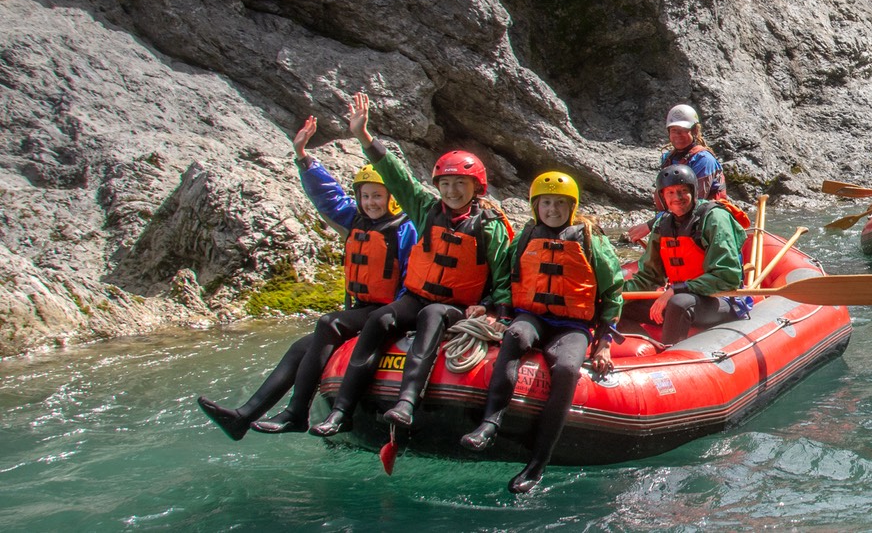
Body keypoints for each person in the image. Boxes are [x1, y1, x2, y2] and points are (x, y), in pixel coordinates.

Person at [196, 116, 418, 439]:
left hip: (387, 313)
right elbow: (329, 196)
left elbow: (411, 276)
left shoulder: (404, 228)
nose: (371, 203)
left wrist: (395, 321)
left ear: (391, 197)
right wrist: (303, 156)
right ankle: (243, 417)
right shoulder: (355, 219)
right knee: (303, 347)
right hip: (362, 308)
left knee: (329, 323)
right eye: (366, 196)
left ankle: (296, 412)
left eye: (377, 196)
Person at [310, 92, 514, 437]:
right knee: (380, 318)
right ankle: (341, 411)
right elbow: (397, 177)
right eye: (445, 184)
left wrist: (493, 309)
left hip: (458, 306)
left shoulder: (490, 224)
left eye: (459, 184)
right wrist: (364, 137)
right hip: (417, 295)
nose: (451, 191)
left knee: (432, 316)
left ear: (475, 187)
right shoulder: (426, 209)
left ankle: (406, 402)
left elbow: (503, 273)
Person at [459, 171, 623, 494]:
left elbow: (614, 291)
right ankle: (490, 423)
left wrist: (603, 343)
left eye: (560, 203)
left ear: (571, 206)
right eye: (546, 203)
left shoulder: (591, 240)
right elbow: (505, 278)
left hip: (574, 325)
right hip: (531, 317)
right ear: (536, 206)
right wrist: (498, 310)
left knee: (566, 368)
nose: (552, 209)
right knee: (516, 336)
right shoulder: (525, 236)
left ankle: (537, 464)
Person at [628, 165, 745, 345]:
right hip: (683, 295)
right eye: (671, 193)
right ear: (663, 197)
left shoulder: (714, 218)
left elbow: (726, 276)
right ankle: (647, 348)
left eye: (683, 191)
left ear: (693, 191)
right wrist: (614, 294)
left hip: (719, 299)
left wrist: (678, 289)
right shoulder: (663, 224)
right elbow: (648, 276)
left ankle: (669, 358)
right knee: (623, 304)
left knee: (679, 303)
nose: (677, 198)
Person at [633, 104, 748, 242]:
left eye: (683, 131)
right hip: (675, 218)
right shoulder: (668, 158)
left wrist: (651, 224)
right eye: (674, 131)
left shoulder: (704, 160)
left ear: (694, 131)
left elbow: (693, 204)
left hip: (706, 221)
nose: (678, 136)